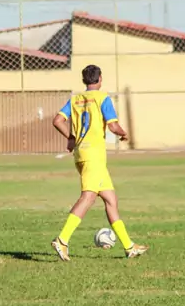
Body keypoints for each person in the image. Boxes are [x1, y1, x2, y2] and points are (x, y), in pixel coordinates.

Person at [51, 64, 149, 261]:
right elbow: (113, 126)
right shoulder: (103, 98)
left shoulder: (75, 99)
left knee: (111, 200)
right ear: (100, 79)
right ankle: (62, 240)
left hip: (82, 154)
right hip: (93, 157)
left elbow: (57, 121)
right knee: (88, 197)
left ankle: (129, 247)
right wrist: (124, 134)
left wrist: (71, 137)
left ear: (84, 80)